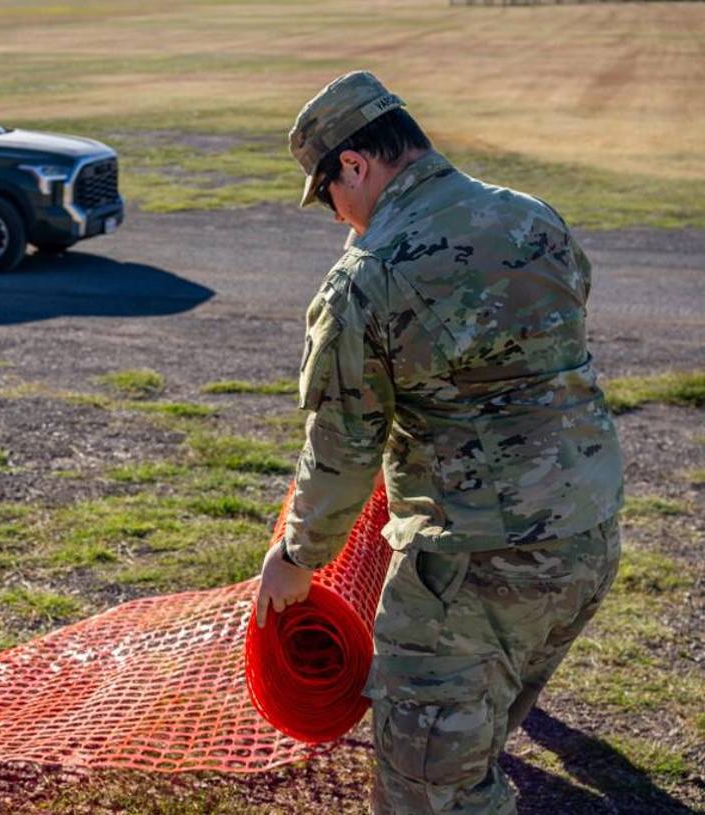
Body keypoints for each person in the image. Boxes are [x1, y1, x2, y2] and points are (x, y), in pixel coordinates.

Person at [253, 71, 624, 814]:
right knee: (476, 741)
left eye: (330, 195)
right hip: (587, 538)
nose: (340, 218)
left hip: (472, 566)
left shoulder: (367, 278)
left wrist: (295, 559)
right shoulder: (532, 217)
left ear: (354, 165)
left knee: (432, 792)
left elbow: (341, 450)